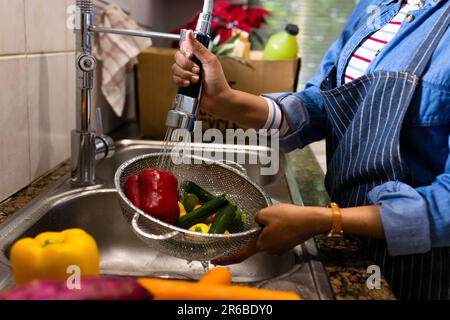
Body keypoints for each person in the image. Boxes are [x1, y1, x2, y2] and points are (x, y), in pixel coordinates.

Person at [171, 0, 450, 300]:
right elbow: (321, 103)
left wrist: (325, 220)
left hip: (420, 270)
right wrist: (226, 100)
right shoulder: (376, 6)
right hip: (353, 245)